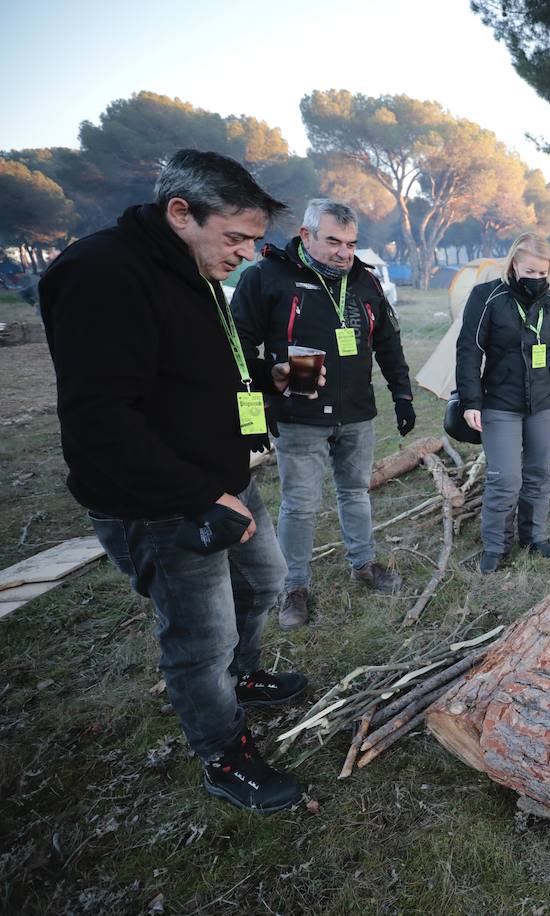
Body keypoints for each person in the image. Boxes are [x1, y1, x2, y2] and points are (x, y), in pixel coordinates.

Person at [41, 149, 307, 812]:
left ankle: (241, 678)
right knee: (199, 638)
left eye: (254, 239)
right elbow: (100, 422)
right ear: (180, 213)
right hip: (164, 506)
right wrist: (197, 497)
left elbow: (202, 362)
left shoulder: (188, 268)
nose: (248, 254)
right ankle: (225, 754)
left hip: (224, 483)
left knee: (266, 582)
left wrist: (265, 381)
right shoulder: (102, 273)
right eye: (237, 238)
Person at [231, 199, 414, 629]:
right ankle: (292, 587)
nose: (343, 253)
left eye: (350, 244)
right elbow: (237, 347)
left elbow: (388, 342)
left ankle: (364, 564)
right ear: (306, 234)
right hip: (298, 414)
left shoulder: (365, 281)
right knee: (300, 503)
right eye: (333, 241)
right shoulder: (267, 276)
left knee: (356, 493)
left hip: (356, 411)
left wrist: (402, 396)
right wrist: (255, 409)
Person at [454, 232, 550, 574]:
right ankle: (495, 546)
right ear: (514, 264)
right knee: (505, 478)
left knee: (538, 473)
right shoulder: (487, 297)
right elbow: (469, 351)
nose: (536, 279)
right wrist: (471, 401)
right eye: (529, 271)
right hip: (500, 402)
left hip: (546, 402)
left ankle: (534, 537)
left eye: (542, 273)